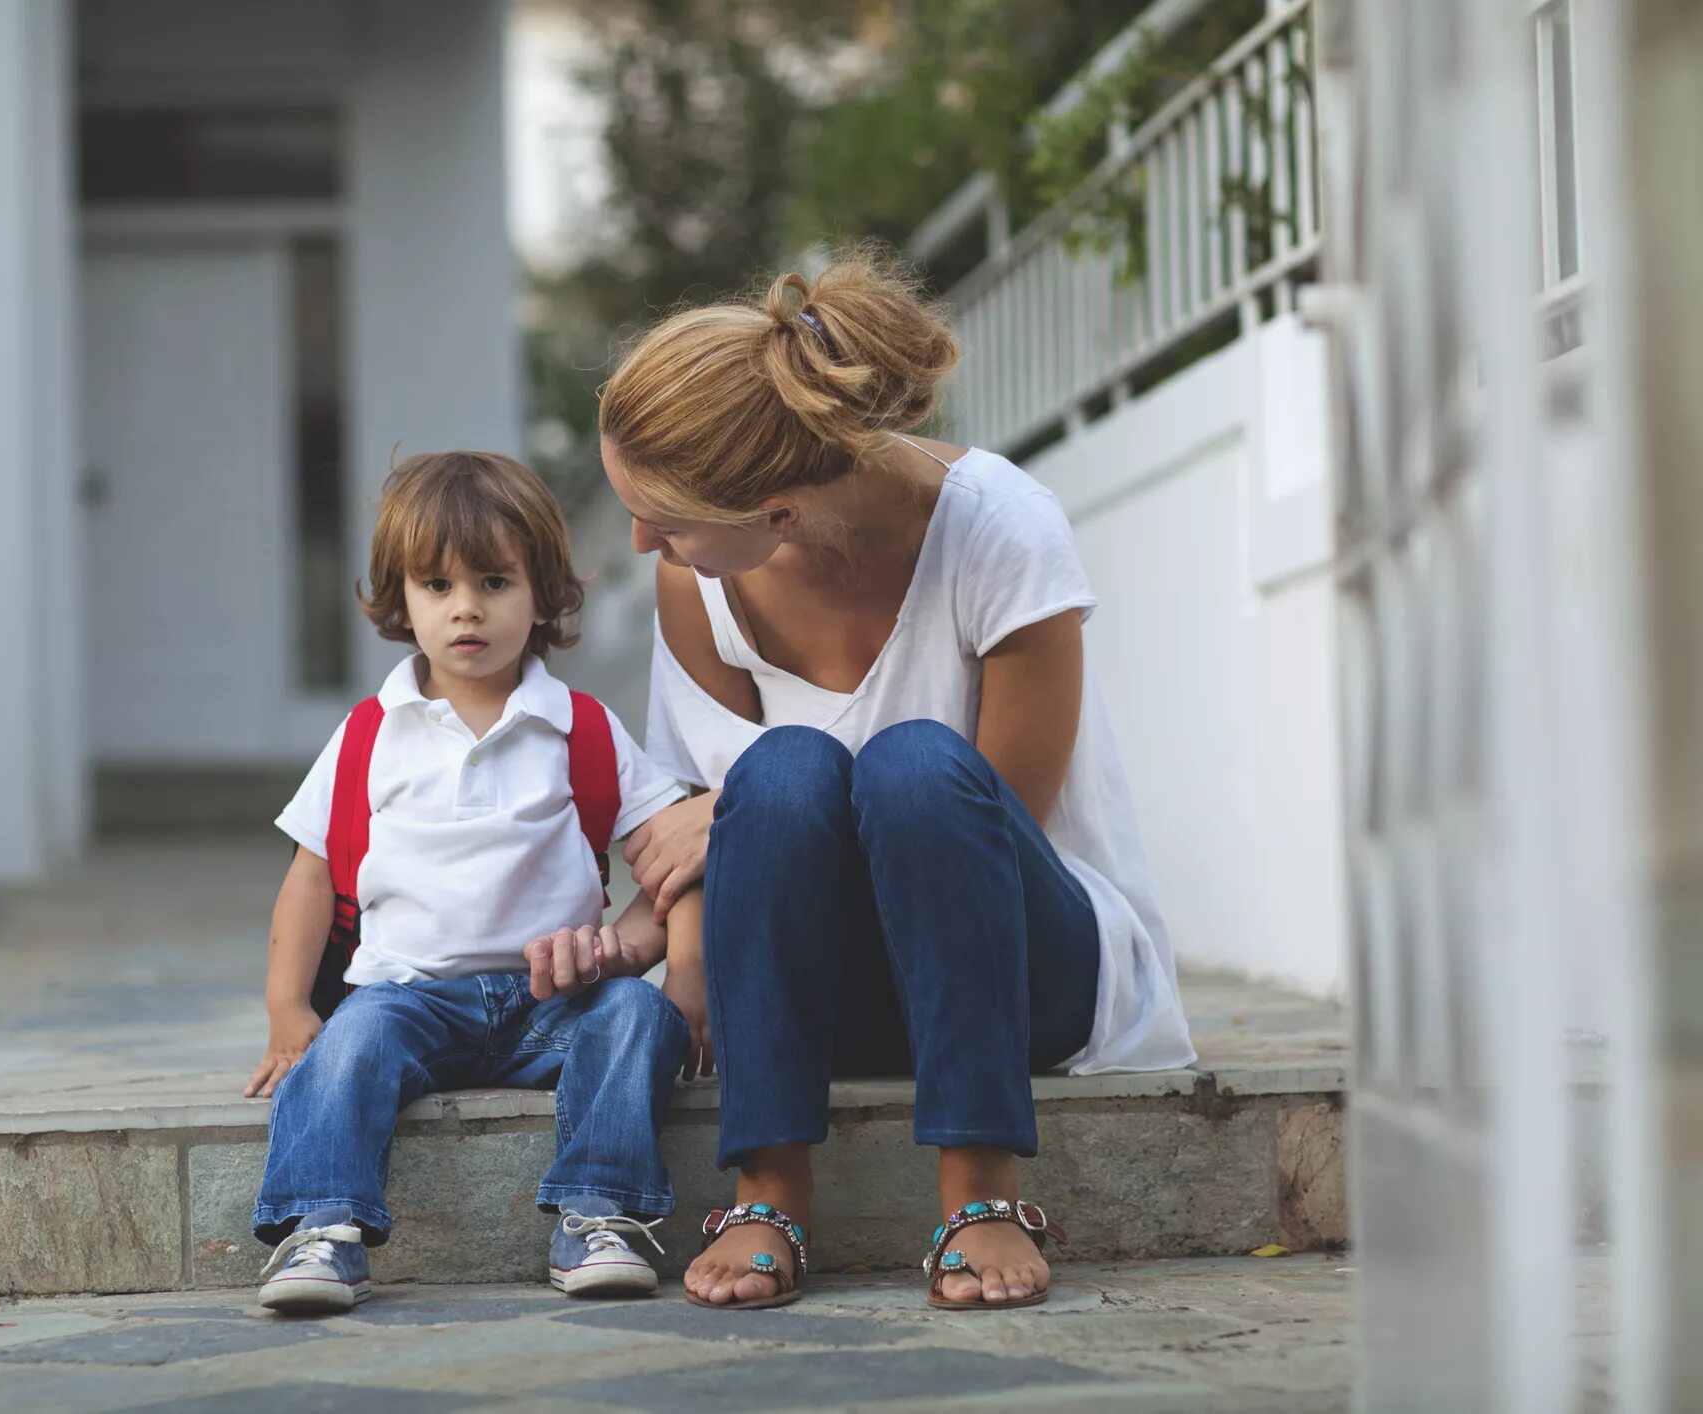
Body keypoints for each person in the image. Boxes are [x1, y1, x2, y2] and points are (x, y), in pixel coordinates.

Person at [600, 245, 1195, 1312]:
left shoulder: (999, 527)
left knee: (916, 764)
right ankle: (768, 1190)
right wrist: (686, 941)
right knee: (781, 768)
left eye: (668, 519)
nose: (646, 540)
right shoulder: (697, 586)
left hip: (1015, 972)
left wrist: (718, 813)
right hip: (821, 990)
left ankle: (982, 1186)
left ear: (776, 515)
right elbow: (699, 840)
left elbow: (994, 829)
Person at [246, 451, 692, 1315]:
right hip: (406, 997)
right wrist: (286, 1007)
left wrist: (651, 965)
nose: (466, 609)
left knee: (639, 1017)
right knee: (342, 1051)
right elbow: (309, 876)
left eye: (494, 581)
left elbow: (670, 862)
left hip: (552, 1003)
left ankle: (598, 1211)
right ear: (398, 599)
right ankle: (320, 1226)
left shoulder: (582, 729)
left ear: (543, 593)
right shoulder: (370, 735)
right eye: (436, 585)